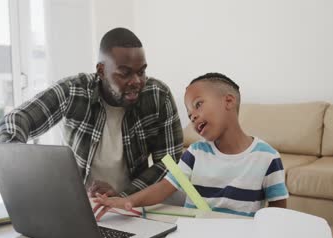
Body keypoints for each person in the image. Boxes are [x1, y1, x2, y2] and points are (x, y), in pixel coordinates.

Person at [0, 28, 183, 197]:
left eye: (141, 72)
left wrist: (122, 197)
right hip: (77, 205)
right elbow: (16, 119)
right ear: (101, 71)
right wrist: (14, 159)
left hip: (133, 205)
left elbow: (170, 164)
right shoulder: (74, 91)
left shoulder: (158, 96)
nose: (136, 81)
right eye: (125, 73)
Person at [93, 72, 289, 220]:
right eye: (189, 114)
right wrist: (126, 201)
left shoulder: (268, 157)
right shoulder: (195, 153)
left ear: (228, 101)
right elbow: (163, 188)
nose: (193, 116)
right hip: (194, 236)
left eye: (198, 104)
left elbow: (278, 214)